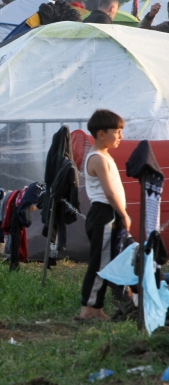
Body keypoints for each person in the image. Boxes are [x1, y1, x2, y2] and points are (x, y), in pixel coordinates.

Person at [76, 109, 129, 322]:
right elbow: (108, 192)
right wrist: (124, 214)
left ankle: (97, 308)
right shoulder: (97, 158)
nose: (120, 136)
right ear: (101, 134)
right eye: (117, 131)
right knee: (100, 264)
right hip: (103, 214)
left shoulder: (105, 156)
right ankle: (87, 309)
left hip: (108, 214)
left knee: (105, 261)